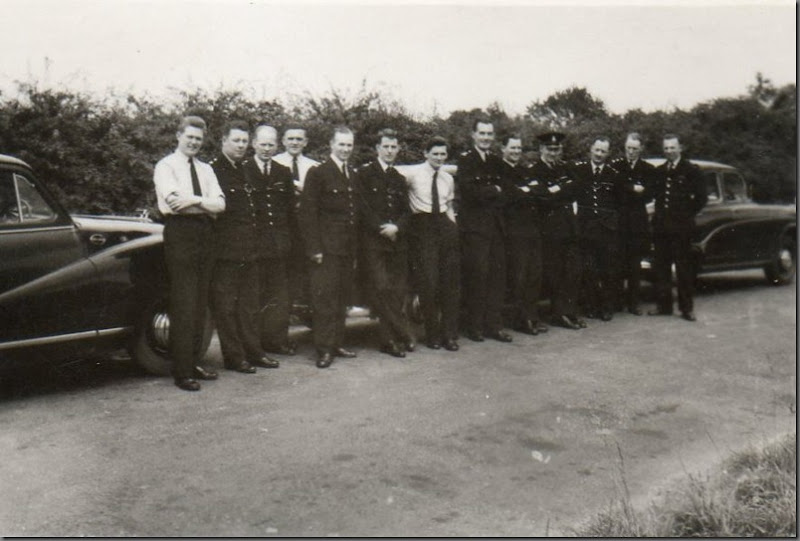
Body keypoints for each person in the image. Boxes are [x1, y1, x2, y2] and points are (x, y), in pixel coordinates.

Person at [153, 115, 225, 391]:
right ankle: (181, 371)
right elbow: (175, 204)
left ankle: (194, 362)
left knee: (199, 304)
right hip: (180, 233)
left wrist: (194, 200)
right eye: (189, 137)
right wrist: (203, 204)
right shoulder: (166, 166)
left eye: (198, 138)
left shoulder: (206, 169)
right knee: (184, 301)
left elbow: (220, 205)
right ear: (178, 135)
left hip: (206, 235)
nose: (194, 142)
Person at [298, 126, 359, 368]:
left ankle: (337, 343)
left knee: (342, 298)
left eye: (349, 145)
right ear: (331, 145)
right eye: (341, 145)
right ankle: (324, 349)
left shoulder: (352, 174)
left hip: (346, 249)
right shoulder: (318, 173)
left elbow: (354, 215)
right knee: (324, 301)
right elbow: (307, 214)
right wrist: (314, 249)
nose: (345, 149)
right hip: (326, 249)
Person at [355, 129, 414, 358]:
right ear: (377, 148)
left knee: (397, 291)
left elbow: (406, 211)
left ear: (398, 149)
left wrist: (396, 227)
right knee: (381, 287)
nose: (390, 151)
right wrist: (382, 228)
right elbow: (363, 208)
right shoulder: (365, 174)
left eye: (393, 147)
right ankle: (399, 334)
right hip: (373, 242)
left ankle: (390, 337)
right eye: (386, 146)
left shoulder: (399, 178)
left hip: (396, 241)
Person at [455, 119, 513, 343]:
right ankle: (475, 326)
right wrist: (494, 190)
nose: (486, 137)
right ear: (473, 135)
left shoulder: (497, 162)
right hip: (475, 229)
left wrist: (491, 191)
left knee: (497, 278)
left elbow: (507, 191)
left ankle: (494, 326)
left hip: (496, 227)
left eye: (490, 133)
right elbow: (470, 193)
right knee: (477, 277)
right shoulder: (466, 160)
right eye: (482, 133)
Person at [243, 125, 296, 358]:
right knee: (253, 297)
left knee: (280, 296)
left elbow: (289, 211)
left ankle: (277, 340)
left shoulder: (283, 171)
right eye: (262, 144)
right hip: (253, 245)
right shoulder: (243, 169)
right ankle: (254, 345)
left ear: (277, 145)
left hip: (279, 244)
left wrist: (289, 242)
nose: (267, 149)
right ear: (253, 144)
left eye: (271, 145)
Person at [404, 136, 460, 352]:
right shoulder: (413, 175)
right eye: (435, 153)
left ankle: (450, 335)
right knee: (429, 283)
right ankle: (432, 334)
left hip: (444, 227)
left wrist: (452, 228)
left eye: (443, 154)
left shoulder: (447, 178)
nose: (439, 157)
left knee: (450, 284)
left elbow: (449, 205)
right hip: (422, 227)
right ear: (425, 153)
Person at [529, 132, 586, 330]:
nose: (553, 152)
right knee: (555, 272)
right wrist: (563, 189)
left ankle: (569, 312)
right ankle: (559, 313)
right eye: (549, 149)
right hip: (550, 229)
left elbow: (578, 188)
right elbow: (543, 197)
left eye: (557, 149)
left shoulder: (567, 167)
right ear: (541, 149)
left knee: (573, 271)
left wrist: (556, 190)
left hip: (569, 227)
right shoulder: (535, 170)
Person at [648, 134, 707, 321]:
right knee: (661, 268)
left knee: (683, 269)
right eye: (666, 148)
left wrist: (685, 214)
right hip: (661, 228)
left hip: (682, 228)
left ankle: (686, 308)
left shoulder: (691, 170)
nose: (669, 151)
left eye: (672, 147)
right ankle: (664, 306)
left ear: (680, 148)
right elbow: (656, 196)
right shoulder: (660, 170)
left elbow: (701, 198)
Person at [501, 134, 549, 335]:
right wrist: (525, 191)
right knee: (519, 277)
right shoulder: (499, 170)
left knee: (534, 275)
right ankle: (521, 320)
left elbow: (540, 192)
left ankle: (532, 316)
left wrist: (525, 190)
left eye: (519, 148)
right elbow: (508, 195)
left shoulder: (524, 170)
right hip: (513, 230)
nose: (516, 152)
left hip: (531, 228)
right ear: (503, 148)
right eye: (512, 148)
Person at [574, 136, 624, 321]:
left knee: (608, 270)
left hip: (607, 230)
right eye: (597, 150)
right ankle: (591, 306)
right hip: (587, 229)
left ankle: (607, 307)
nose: (599, 154)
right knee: (589, 270)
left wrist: (612, 223)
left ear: (608, 154)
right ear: (591, 150)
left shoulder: (613, 175)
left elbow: (619, 203)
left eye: (603, 151)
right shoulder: (580, 170)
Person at [273, 126, 320, 314]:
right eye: (290, 138)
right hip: (283, 227)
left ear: (305, 142)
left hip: (306, 228)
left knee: (306, 276)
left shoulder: (314, 166)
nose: (294, 142)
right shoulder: (274, 163)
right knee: (281, 279)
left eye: (299, 139)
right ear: (283, 141)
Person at [611, 133, 655, 315]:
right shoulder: (615, 166)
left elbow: (649, 193)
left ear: (640, 149)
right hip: (619, 223)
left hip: (637, 223)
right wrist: (632, 188)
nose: (630, 152)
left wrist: (627, 189)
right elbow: (615, 190)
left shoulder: (648, 168)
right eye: (628, 148)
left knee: (635, 264)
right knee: (618, 263)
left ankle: (634, 303)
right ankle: (617, 301)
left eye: (634, 149)